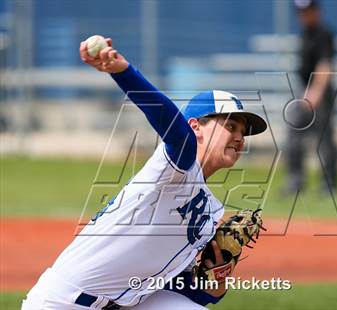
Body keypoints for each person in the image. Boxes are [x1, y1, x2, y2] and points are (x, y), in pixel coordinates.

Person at [21, 36, 267, 309]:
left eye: (243, 133)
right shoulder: (176, 167)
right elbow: (175, 130)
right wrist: (123, 72)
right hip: (62, 303)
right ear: (196, 127)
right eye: (230, 126)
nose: (239, 138)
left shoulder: (211, 212)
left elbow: (191, 293)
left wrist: (218, 273)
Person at [284, 0, 337, 194]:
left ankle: (329, 184)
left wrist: (315, 92)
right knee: (293, 137)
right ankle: (295, 181)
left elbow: (325, 65)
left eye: (308, 11)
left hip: (319, 94)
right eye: (301, 12)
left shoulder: (324, 34)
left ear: (316, 11)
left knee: (324, 141)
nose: (304, 15)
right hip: (304, 92)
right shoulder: (305, 34)